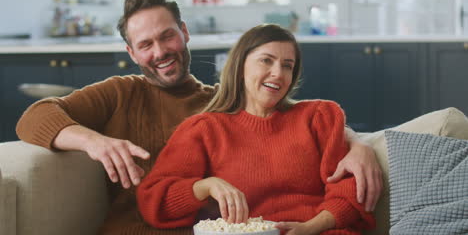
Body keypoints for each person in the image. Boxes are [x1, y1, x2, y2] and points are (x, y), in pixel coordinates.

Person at [16, 0, 381, 235]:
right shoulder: (120, 92)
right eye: (145, 44)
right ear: (132, 53)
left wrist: (357, 141)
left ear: (184, 32)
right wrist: (95, 142)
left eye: (167, 36)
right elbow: (34, 116)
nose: (160, 51)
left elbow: (289, 120)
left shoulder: (222, 105)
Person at [137, 24, 375, 235]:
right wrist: (205, 185)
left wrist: (311, 227)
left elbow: (351, 188)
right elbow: (155, 202)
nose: (278, 73)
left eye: (287, 66)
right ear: (240, 66)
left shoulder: (317, 118)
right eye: (266, 60)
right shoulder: (204, 130)